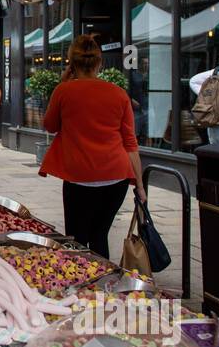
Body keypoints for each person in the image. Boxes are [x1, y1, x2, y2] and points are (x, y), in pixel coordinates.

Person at [39, 36, 146, 258]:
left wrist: (62, 84)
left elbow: (50, 126)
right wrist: (140, 185)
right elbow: (129, 142)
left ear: (71, 63)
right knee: (99, 236)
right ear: (99, 63)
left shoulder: (64, 91)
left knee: (76, 238)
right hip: (115, 176)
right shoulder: (118, 93)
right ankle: (101, 287)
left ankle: (80, 285)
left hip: (78, 176)